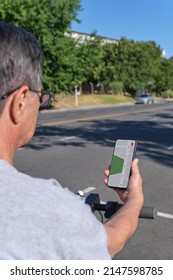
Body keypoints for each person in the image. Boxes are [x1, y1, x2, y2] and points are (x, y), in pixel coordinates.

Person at [0, 22, 144, 260]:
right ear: (21, 101)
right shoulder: (45, 207)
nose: (42, 104)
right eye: (41, 96)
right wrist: (134, 197)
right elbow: (111, 241)